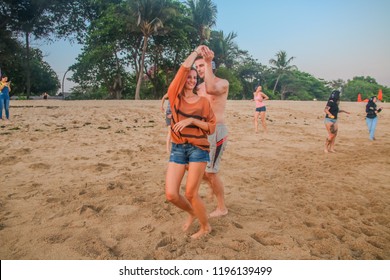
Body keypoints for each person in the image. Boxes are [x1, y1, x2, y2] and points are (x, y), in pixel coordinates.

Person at [165, 45, 216, 239]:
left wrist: (193, 121)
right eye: (189, 77)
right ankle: (194, 213)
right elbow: (183, 69)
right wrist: (195, 52)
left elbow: (211, 127)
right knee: (171, 194)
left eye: (195, 78)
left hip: (198, 149)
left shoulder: (203, 102)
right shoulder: (174, 98)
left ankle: (205, 227)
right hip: (178, 149)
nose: (192, 79)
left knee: (190, 193)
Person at [194, 46, 229, 218]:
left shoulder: (222, 83)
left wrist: (207, 62)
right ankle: (212, 187)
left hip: (217, 132)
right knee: (195, 167)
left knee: (211, 171)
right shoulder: (198, 87)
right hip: (201, 131)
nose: (199, 69)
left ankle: (222, 208)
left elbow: (210, 90)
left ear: (211, 65)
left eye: (202, 65)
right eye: (197, 67)